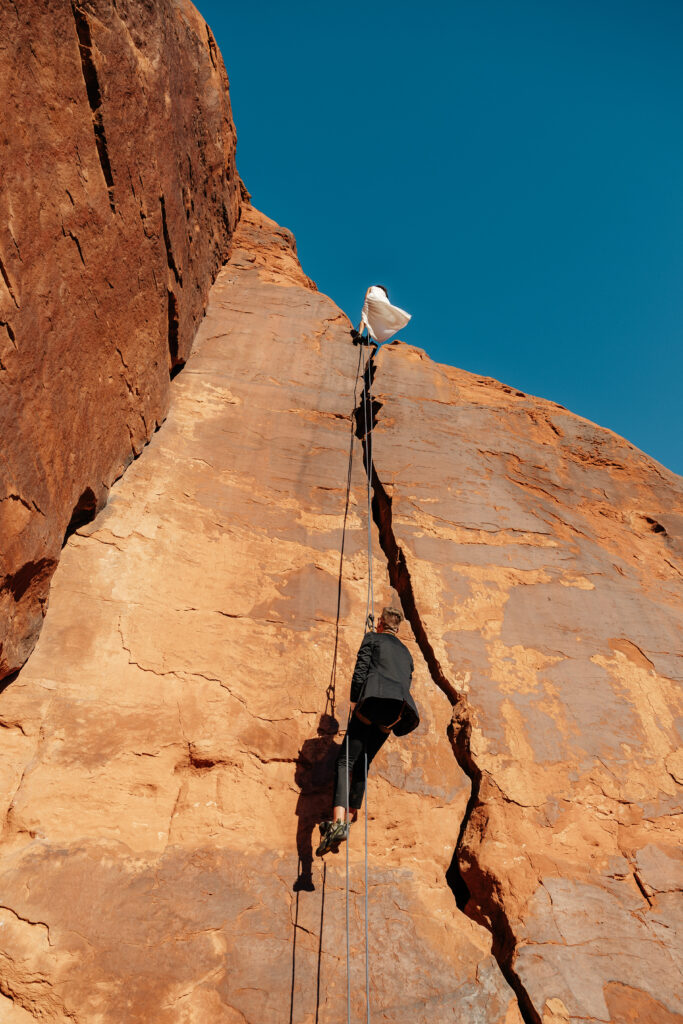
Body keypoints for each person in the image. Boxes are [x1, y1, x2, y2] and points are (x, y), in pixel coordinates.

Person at [316, 605, 420, 855]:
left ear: (381, 624)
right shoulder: (407, 653)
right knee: (364, 761)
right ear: (397, 628)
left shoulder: (372, 638)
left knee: (345, 762)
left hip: (372, 702)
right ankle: (350, 816)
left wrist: (354, 701)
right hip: (397, 712)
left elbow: (360, 670)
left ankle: (339, 822)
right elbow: (406, 681)